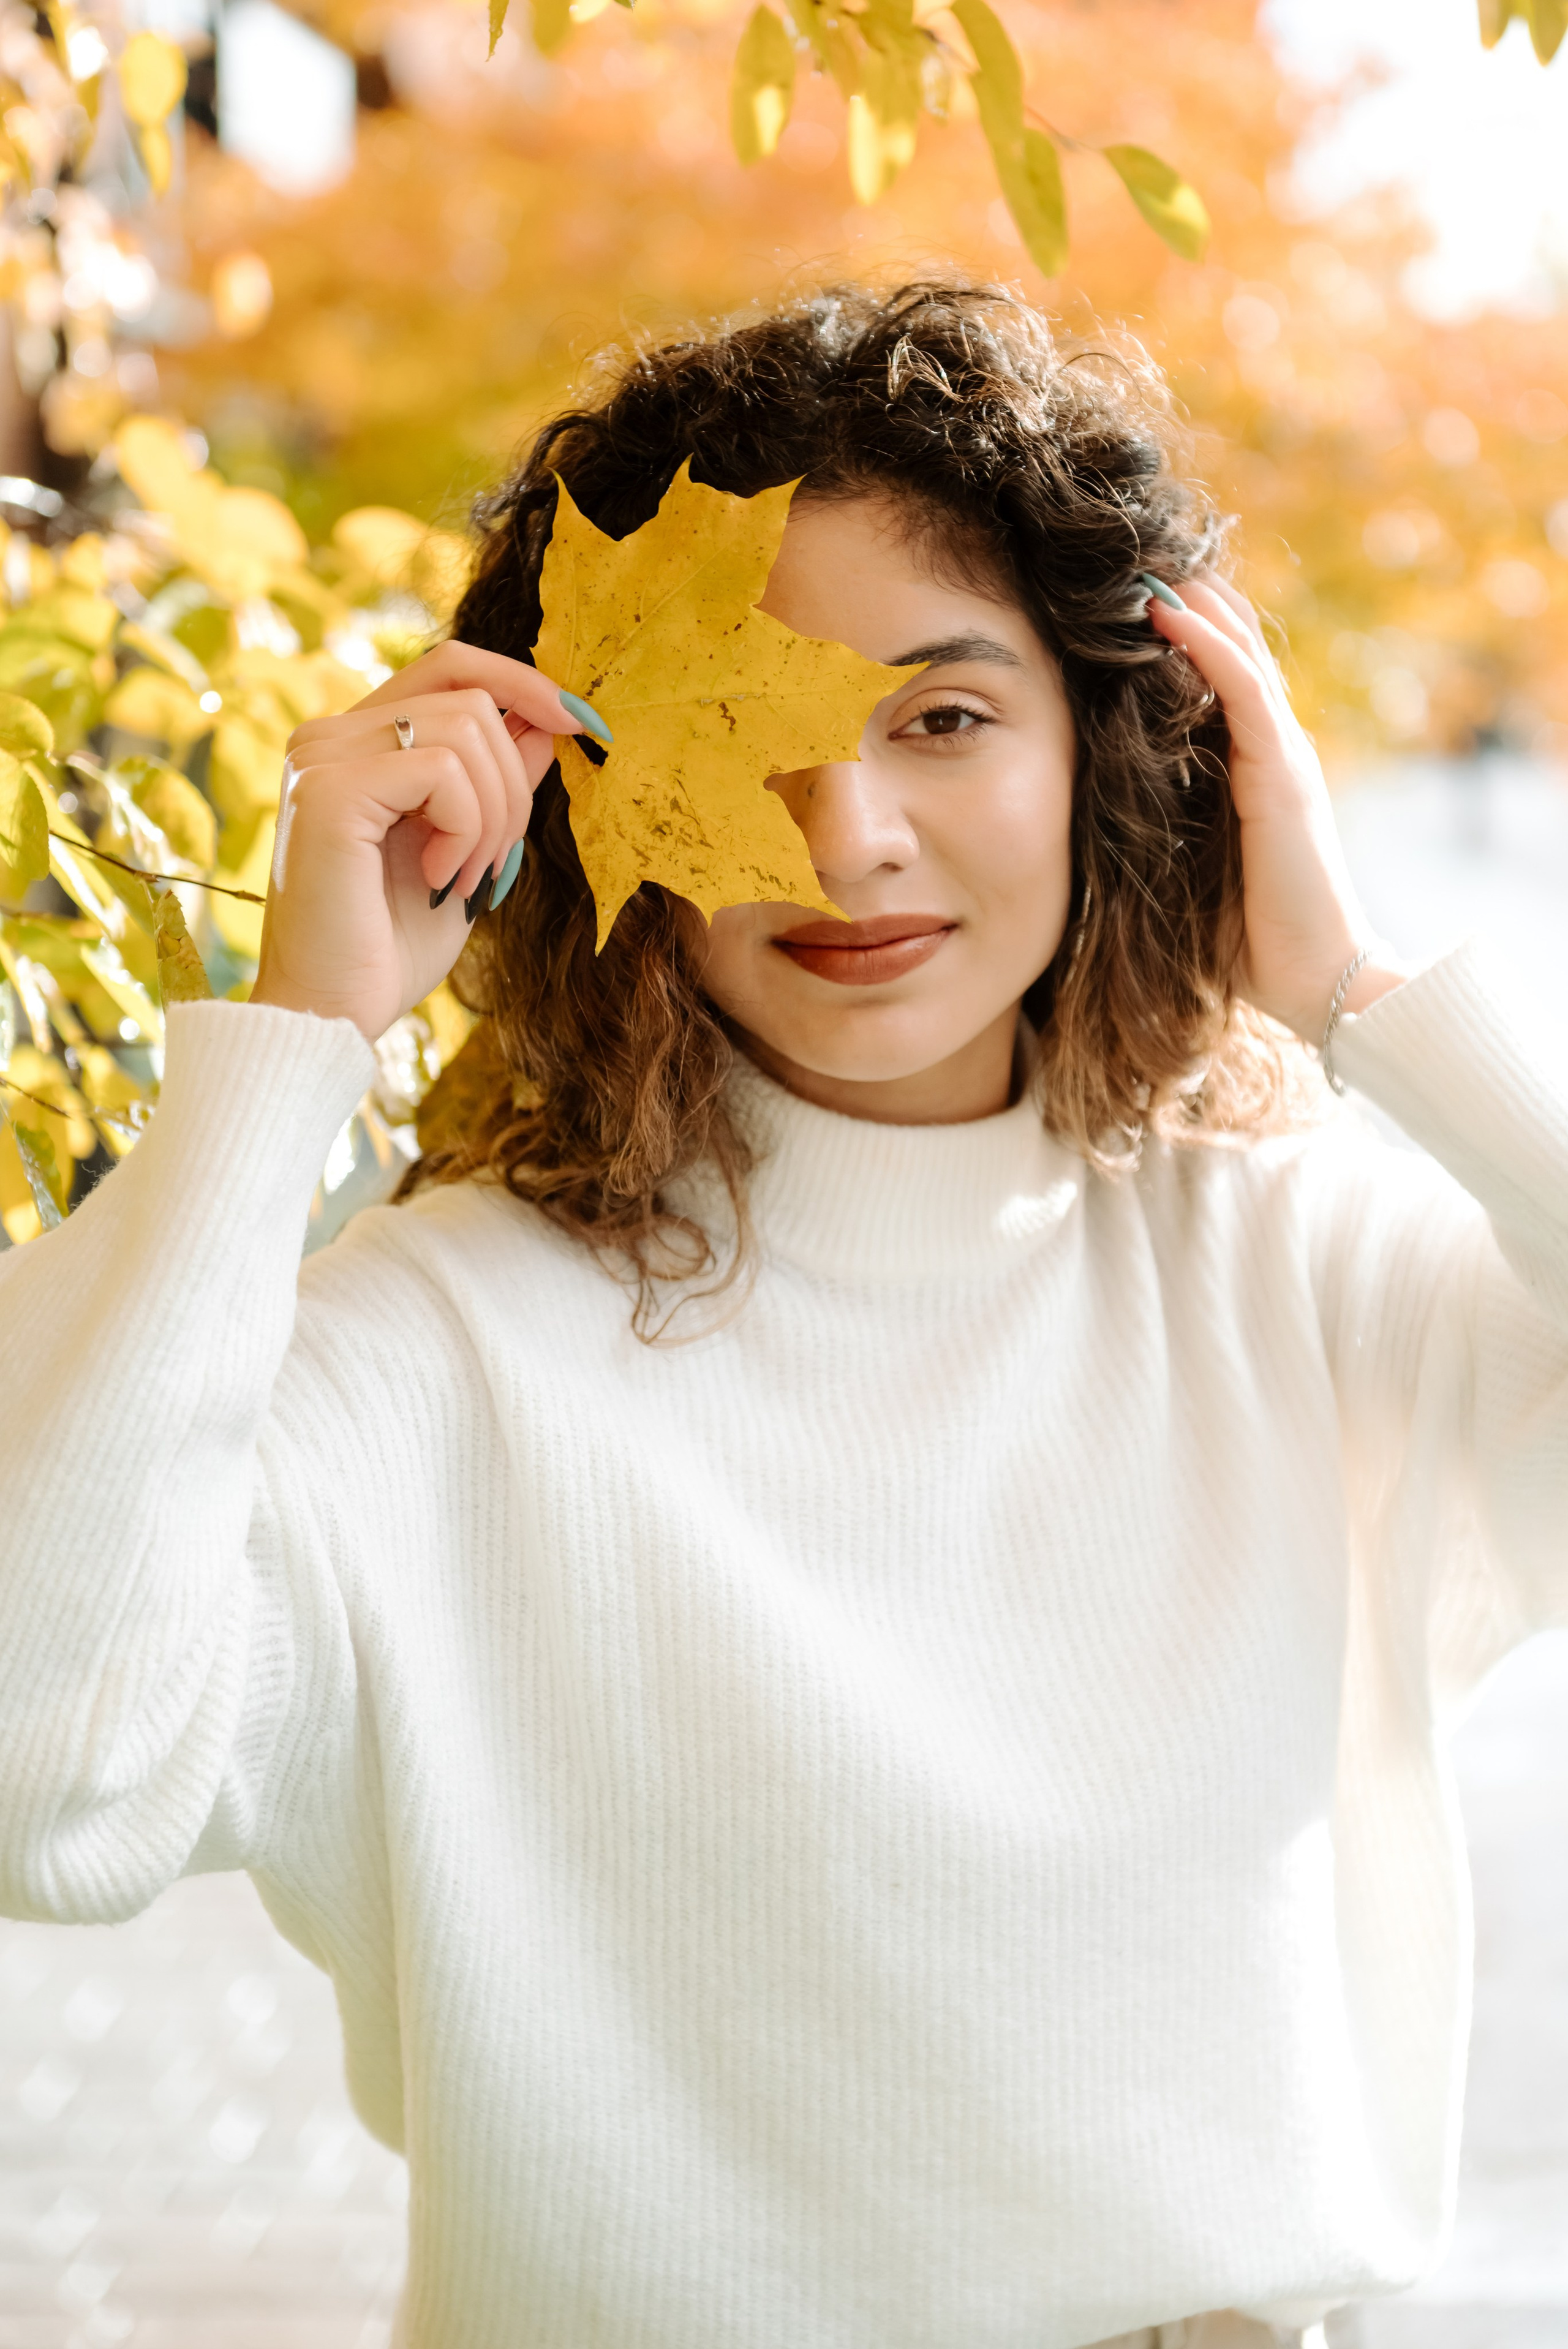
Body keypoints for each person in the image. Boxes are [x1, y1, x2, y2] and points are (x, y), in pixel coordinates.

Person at [2, 280, 1564, 2349]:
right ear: (585, 789)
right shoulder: (436, 1350)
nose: (850, 836)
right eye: (739, 729)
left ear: (1126, 741)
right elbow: (49, 1775)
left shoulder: (1296, 1272)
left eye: (942, 716)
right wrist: (292, 1043)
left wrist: (1362, 999)